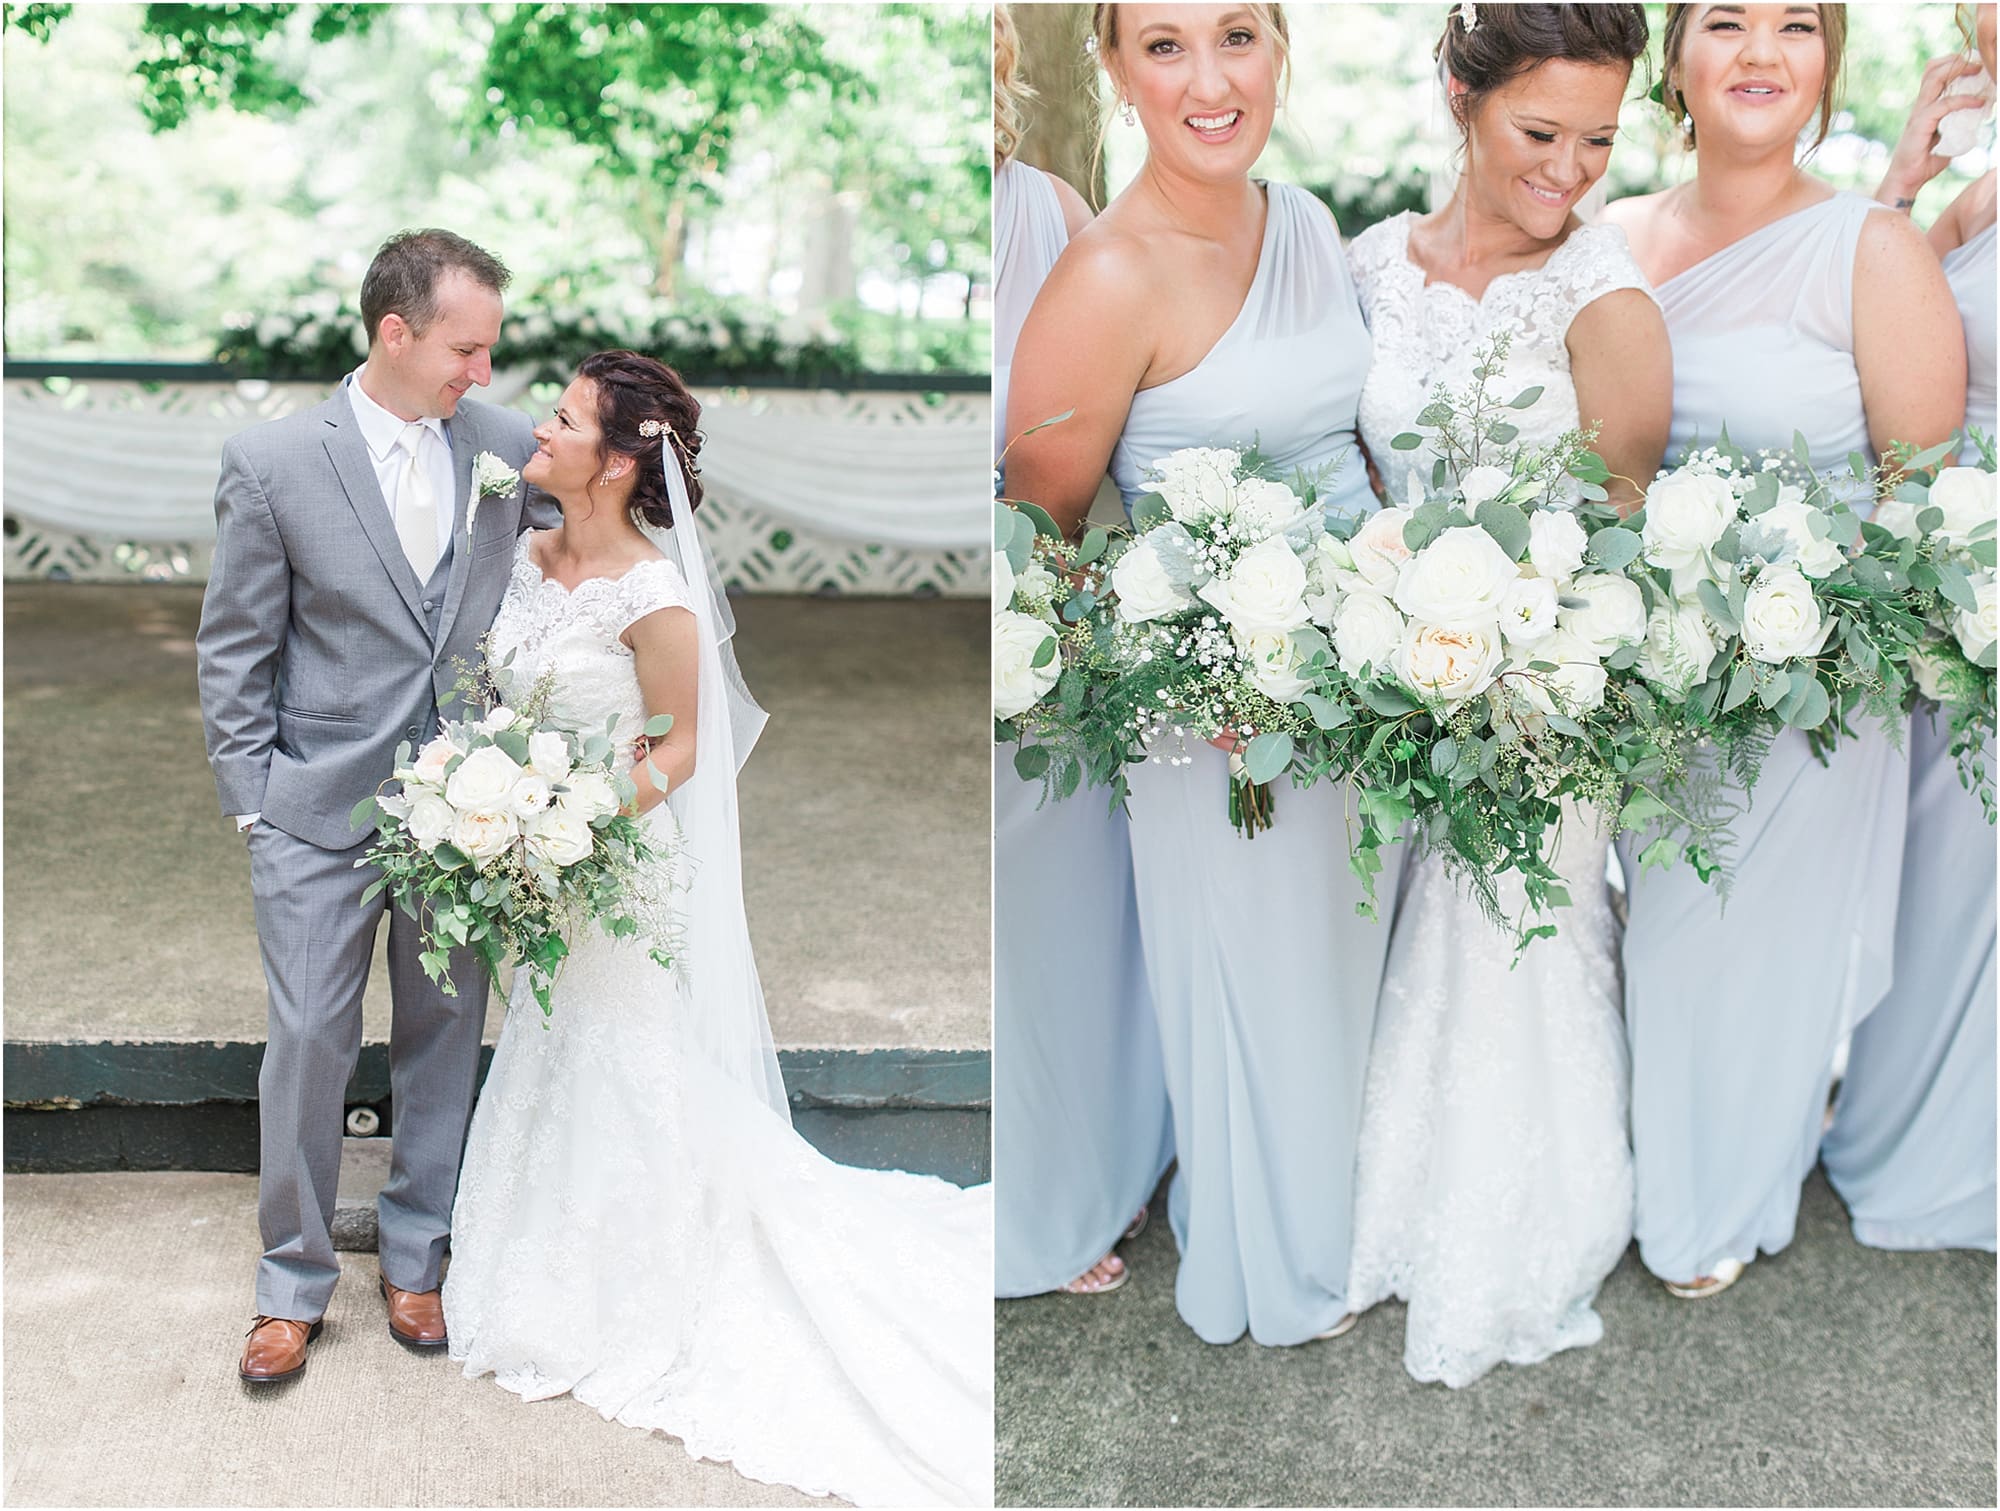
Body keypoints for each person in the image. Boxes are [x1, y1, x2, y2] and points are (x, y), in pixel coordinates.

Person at [441, 351, 993, 1508]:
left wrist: (564, 820)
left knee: (620, 1053)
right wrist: (485, 798)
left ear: (621, 455)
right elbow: (501, 700)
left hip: (616, 867)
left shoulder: (657, 596)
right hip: (533, 859)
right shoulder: (526, 553)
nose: (538, 428)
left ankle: (628, 1282)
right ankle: (536, 1248)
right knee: (548, 1045)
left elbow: (679, 748)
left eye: (564, 417)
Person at [1006, 1, 1401, 1348]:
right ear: (1114, 70)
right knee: (1257, 979)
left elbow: (1351, 446)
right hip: (1216, 715)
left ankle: (1343, 1216)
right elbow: (1042, 530)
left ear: (1282, 48)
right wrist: (1193, 656)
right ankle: (1272, 1258)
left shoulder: (1307, 221)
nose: (1210, 78)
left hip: (1366, 682)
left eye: (1238, 34)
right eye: (1165, 44)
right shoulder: (1105, 279)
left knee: (1343, 966)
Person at [1603, 1, 1965, 1299]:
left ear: (1828, 63)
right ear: (1673, 62)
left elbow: (1917, 495)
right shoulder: (1612, 237)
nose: (1762, 52)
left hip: (1817, 685)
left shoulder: (1875, 250)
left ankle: (1718, 1192)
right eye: (1726, 21)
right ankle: (1673, 1163)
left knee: (1737, 945)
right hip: (1647, 675)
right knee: (1656, 935)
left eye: (1797, 26)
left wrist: (1798, 615)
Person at [1343, 1, 1668, 1388]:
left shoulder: (1605, 294)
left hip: (1545, 694)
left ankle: (1526, 1225)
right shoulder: (1364, 269)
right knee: (1398, 941)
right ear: (1462, 98)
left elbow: (1628, 521)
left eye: (1600, 137)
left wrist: (1529, 665)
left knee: (1518, 942)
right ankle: (1380, 1199)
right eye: (1542, 132)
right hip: (1387, 677)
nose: (1573, 169)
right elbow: (1353, 481)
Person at [196, 229, 543, 1385]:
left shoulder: (502, 446)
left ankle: (416, 1255)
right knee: (306, 1038)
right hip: (313, 808)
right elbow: (235, 648)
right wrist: (255, 802)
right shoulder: (273, 460)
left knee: (445, 1033)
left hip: (469, 806)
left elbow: (571, 571)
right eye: (466, 347)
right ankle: (289, 1283)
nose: (483, 373)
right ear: (395, 333)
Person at [992, 1, 1173, 1303]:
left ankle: (1077, 1182)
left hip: (1037, 614)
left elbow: (1091, 451)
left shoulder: (1053, 214)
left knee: (1064, 905)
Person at [1822, 0, 1996, 1255]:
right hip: (1956, 587)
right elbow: (1871, 307)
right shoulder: (1979, 199)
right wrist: (1899, 177)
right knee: (1942, 878)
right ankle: (1904, 1126)